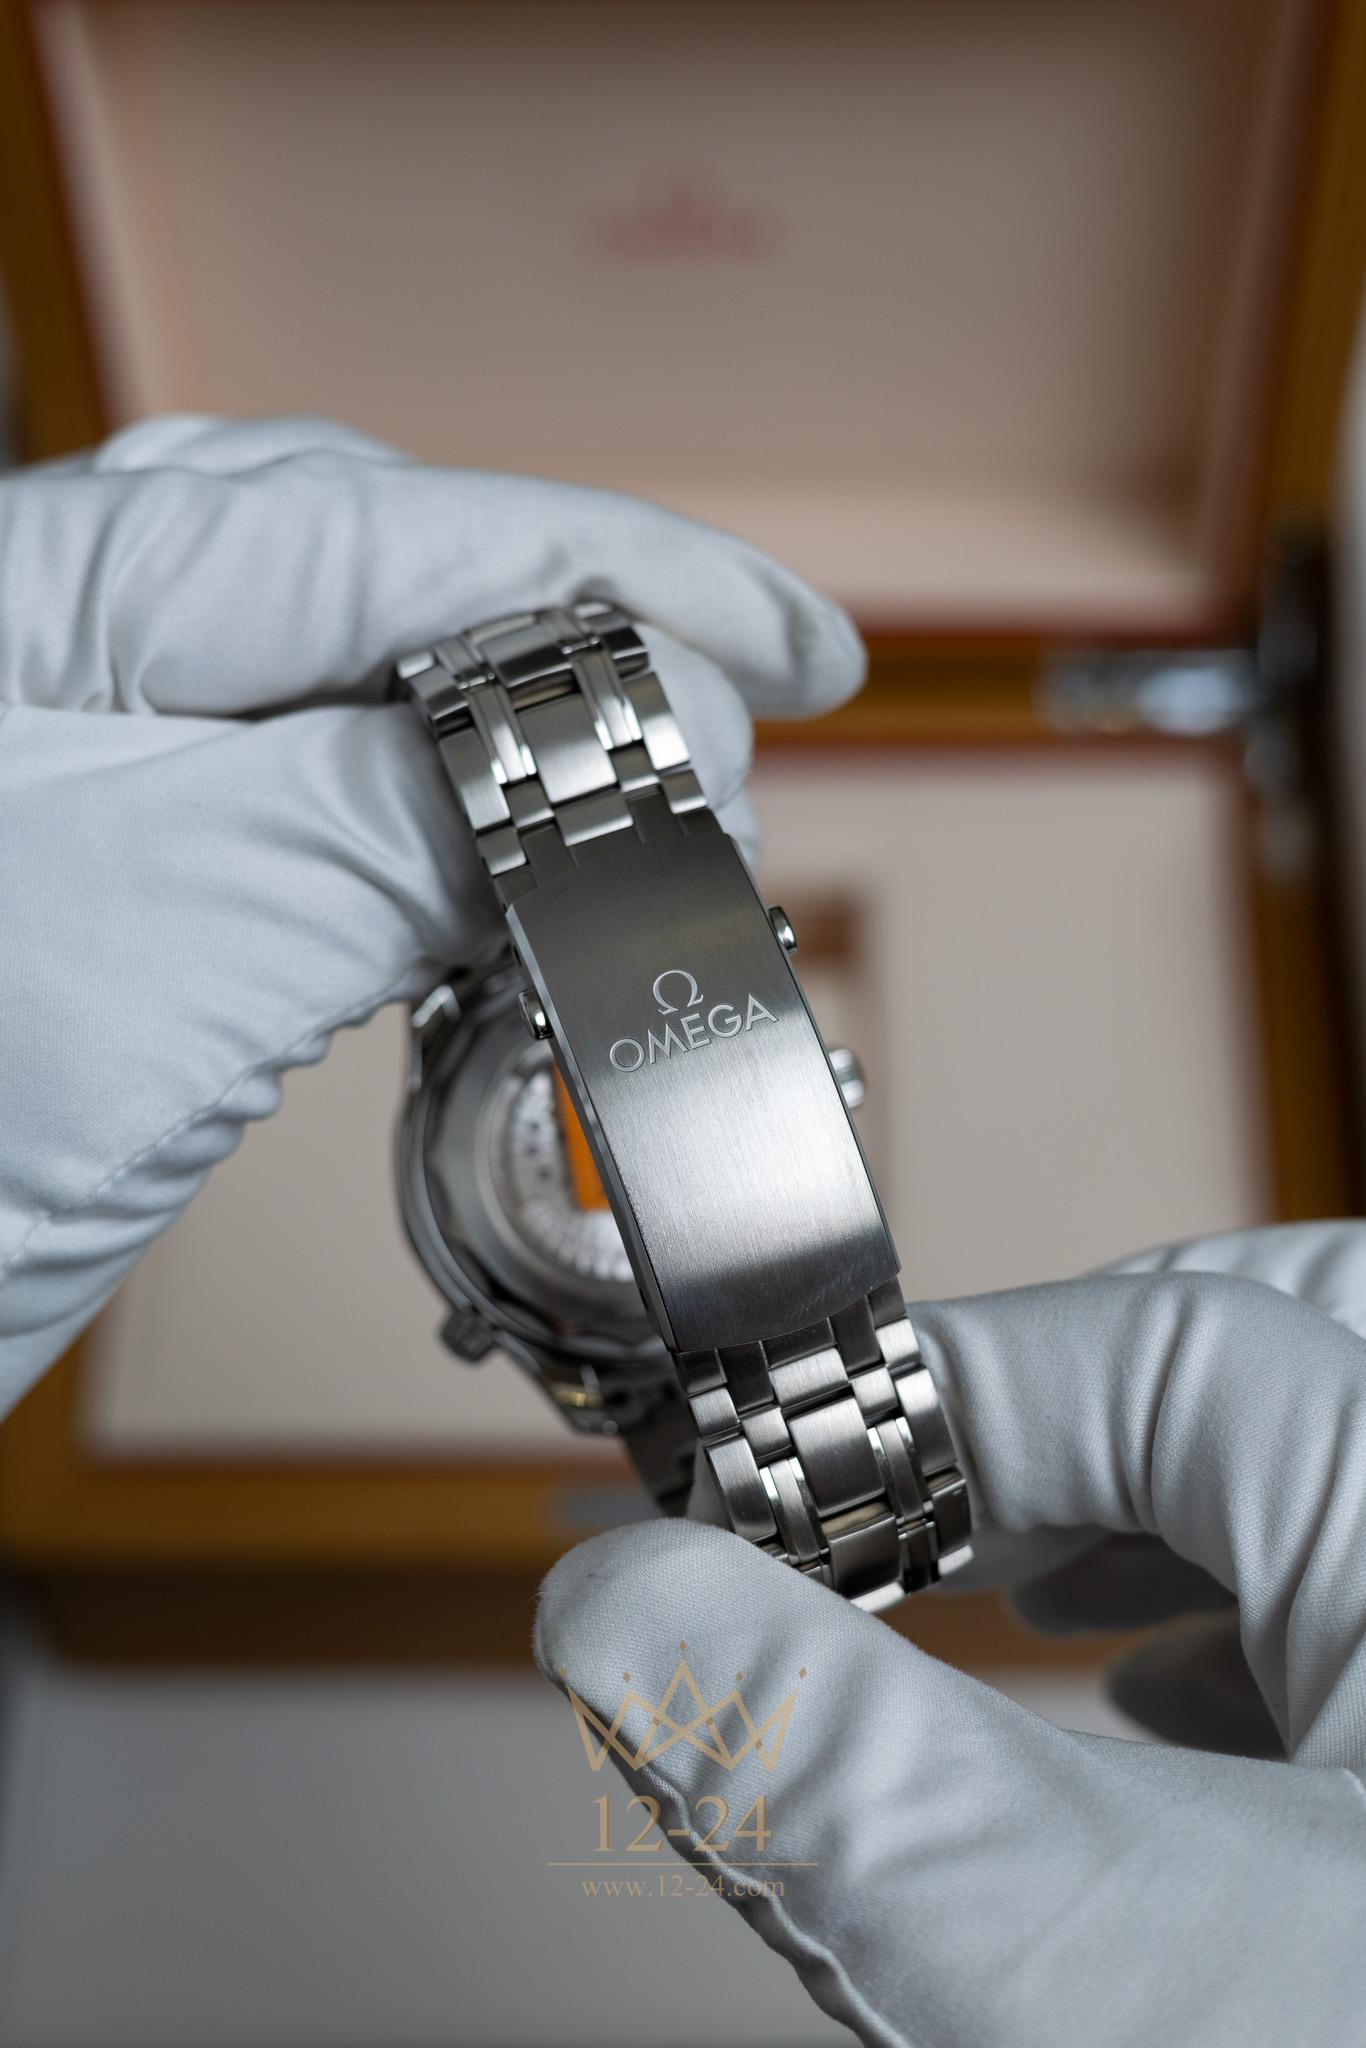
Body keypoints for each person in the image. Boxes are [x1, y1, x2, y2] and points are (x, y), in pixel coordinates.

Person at [5, 415, 1365, 2045]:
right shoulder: (496, 1176)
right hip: (653, 1247)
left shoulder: (527, 1226)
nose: (610, 1155)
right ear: (480, 1297)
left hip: (757, 1278)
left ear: (821, 1079)